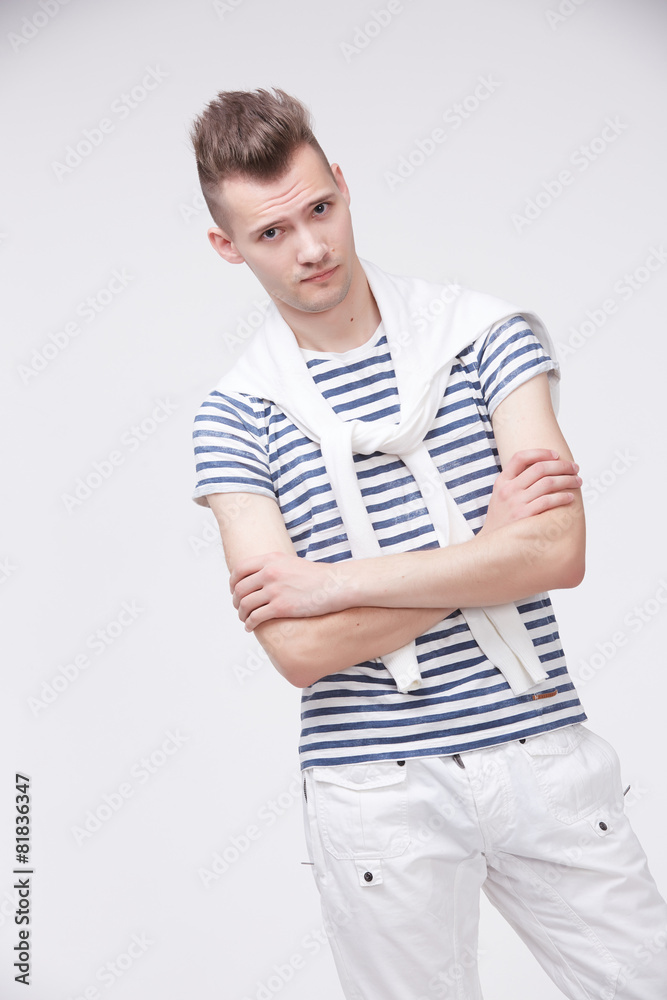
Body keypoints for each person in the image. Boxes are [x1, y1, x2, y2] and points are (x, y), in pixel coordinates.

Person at [188, 88, 667, 999]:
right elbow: (298, 652)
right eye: (271, 233)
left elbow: (556, 553)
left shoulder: (483, 335)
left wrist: (335, 586)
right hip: (373, 786)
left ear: (343, 185)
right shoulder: (234, 416)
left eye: (319, 209)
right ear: (227, 246)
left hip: (537, 746)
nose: (310, 248)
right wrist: (486, 549)